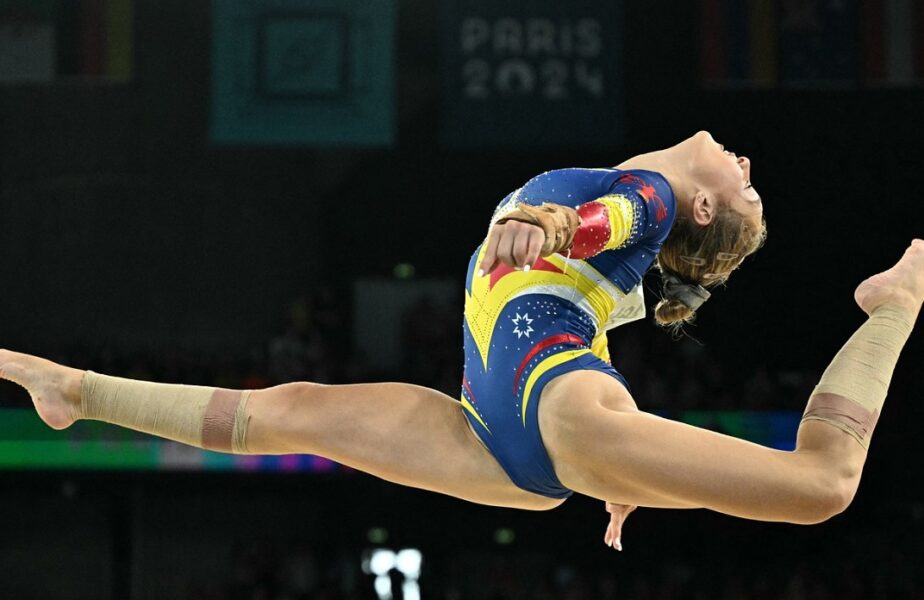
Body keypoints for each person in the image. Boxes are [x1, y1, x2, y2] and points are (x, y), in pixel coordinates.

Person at [1, 132, 920, 553]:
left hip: (548, 423)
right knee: (291, 413)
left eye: (747, 191)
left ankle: (893, 305)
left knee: (823, 485)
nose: (751, 168)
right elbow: (597, 275)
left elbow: (601, 219)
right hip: (506, 442)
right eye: (756, 185)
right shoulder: (631, 226)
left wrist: (548, 227)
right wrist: (634, 473)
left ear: (703, 207)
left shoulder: (649, 202)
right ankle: (75, 390)